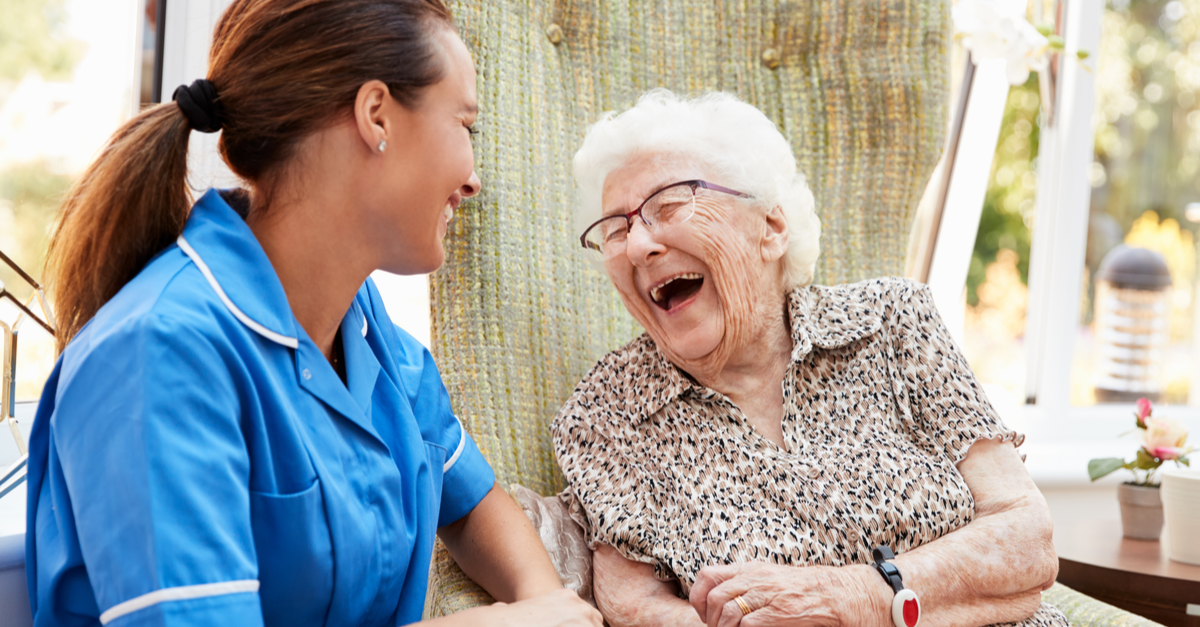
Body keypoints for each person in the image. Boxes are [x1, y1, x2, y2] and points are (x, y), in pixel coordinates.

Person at [25, 1, 602, 626]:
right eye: (467, 127)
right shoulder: (156, 353)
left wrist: (551, 605)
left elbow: (471, 499)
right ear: (376, 115)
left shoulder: (363, 327)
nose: (474, 179)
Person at [551, 90, 1065, 627]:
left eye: (670, 205)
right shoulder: (608, 412)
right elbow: (635, 607)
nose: (637, 247)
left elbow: (1026, 538)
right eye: (616, 229)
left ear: (770, 229)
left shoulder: (891, 319)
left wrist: (853, 597)